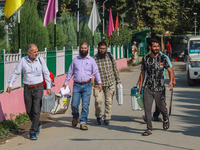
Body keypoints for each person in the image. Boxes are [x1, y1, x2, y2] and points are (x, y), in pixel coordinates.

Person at [6, 44, 52, 140]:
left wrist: (48, 87)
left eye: (37, 51)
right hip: (27, 88)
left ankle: (33, 132)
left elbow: (46, 73)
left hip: (38, 88)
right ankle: (37, 123)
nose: (37, 53)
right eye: (35, 52)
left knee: (36, 110)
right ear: (29, 53)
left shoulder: (40, 60)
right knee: (28, 110)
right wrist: (10, 84)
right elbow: (16, 72)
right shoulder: (23, 61)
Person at [138, 38, 174, 136]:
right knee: (147, 109)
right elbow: (142, 74)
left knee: (162, 108)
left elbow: (170, 70)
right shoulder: (145, 59)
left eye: (158, 46)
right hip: (148, 88)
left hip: (160, 88)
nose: (157, 48)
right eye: (154, 46)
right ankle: (149, 128)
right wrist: (140, 86)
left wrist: (171, 81)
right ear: (150, 47)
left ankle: (165, 118)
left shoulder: (163, 58)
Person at [63, 42, 102, 130]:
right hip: (76, 85)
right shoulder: (75, 60)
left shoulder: (91, 60)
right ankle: (75, 116)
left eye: (85, 48)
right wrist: (65, 83)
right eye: (82, 48)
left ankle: (83, 122)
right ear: (80, 49)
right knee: (74, 105)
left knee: (85, 105)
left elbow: (96, 72)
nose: (83, 49)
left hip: (87, 85)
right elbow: (70, 72)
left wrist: (99, 83)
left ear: (87, 49)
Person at [137, 50, 176, 122]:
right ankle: (148, 118)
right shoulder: (147, 57)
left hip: (160, 83)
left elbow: (170, 69)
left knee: (159, 103)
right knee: (147, 102)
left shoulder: (164, 57)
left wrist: (173, 80)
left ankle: (157, 115)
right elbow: (143, 71)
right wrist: (140, 81)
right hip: (149, 83)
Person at [93, 41, 121, 125]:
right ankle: (98, 116)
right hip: (99, 84)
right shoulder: (94, 58)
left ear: (106, 49)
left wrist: (118, 79)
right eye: (100, 48)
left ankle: (107, 117)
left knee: (109, 101)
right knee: (98, 101)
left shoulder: (110, 56)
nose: (102, 50)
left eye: (104, 48)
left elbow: (115, 67)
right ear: (98, 48)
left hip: (110, 82)